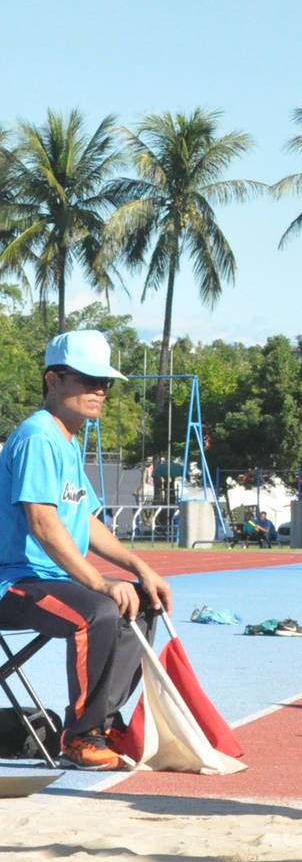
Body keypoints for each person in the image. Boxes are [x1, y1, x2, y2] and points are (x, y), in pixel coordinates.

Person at [0, 330, 173, 770]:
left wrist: (139, 567)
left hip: (49, 582)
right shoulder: (39, 437)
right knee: (98, 610)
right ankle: (79, 737)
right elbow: (42, 522)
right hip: (15, 582)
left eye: (106, 383)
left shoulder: (69, 440)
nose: (100, 391)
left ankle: (103, 722)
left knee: (144, 602)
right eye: (87, 380)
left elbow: (87, 522)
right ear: (53, 381)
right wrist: (99, 582)